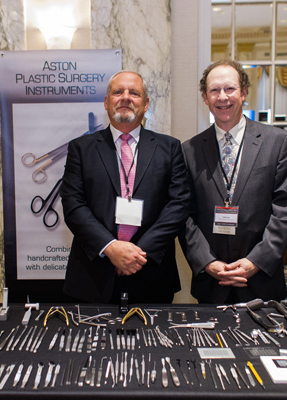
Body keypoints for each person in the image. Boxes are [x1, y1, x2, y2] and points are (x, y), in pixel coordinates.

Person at [60, 71, 189, 303]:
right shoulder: (81, 149)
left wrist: (136, 254)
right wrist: (111, 248)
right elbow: (73, 205)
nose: (126, 97)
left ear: (146, 104)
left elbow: (179, 205)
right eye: (118, 92)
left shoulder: (169, 148)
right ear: (106, 102)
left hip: (152, 274)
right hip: (94, 276)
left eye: (134, 93)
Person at [179, 59, 287, 303]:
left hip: (261, 281)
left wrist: (256, 261)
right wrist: (207, 262)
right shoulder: (189, 150)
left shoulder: (278, 142)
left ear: (244, 92)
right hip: (212, 283)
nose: (222, 97)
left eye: (230, 89)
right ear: (205, 97)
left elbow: (286, 209)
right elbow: (184, 215)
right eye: (214, 90)